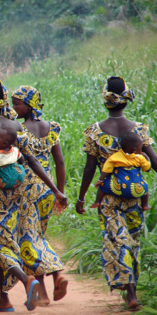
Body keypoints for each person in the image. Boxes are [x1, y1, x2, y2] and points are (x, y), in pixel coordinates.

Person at [0, 78, 67, 312]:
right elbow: (31, 160)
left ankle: (26, 282)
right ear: (4, 100)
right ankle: (5, 299)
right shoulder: (16, 127)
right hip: (20, 195)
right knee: (18, 239)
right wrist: (56, 190)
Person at [76, 76, 157, 310]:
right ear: (126, 100)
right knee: (132, 241)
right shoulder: (139, 130)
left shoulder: (95, 132)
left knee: (116, 239)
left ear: (105, 101)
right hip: (136, 197)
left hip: (109, 198)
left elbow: (90, 168)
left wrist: (82, 197)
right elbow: (153, 160)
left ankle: (129, 291)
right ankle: (131, 290)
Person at [11, 86, 67, 306]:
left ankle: (54, 276)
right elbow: (60, 162)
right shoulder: (50, 128)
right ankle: (50, 282)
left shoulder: (18, 129)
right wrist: (59, 192)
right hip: (47, 189)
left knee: (28, 240)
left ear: (30, 105)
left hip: (26, 190)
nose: (14, 108)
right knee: (38, 237)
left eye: (17, 104)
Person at [92, 132, 151, 210]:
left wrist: (100, 180)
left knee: (102, 187)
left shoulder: (115, 157)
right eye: (140, 148)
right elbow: (147, 169)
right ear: (134, 149)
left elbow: (106, 169)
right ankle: (145, 205)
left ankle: (97, 201)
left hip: (118, 188)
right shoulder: (139, 158)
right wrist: (147, 157)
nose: (141, 150)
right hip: (137, 189)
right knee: (145, 188)